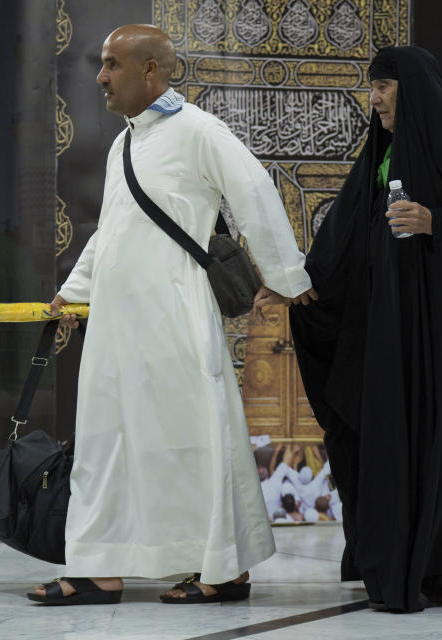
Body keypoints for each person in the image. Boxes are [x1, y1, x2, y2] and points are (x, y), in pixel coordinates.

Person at [29, 24, 315, 606]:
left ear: (150, 71)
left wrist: (287, 279)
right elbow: (112, 230)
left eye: (112, 65)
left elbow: (256, 193)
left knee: (193, 441)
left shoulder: (200, 132)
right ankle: (99, 565)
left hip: (176, 318)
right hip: (116, 324)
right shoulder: (124, 143)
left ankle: (224, 569)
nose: (101, 77)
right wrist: (75, 289)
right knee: (106, 442)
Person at [259, 45, 442, 612]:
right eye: (372, 88)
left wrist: (434, 222)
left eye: (384, 88)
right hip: (395, 348)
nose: (374, 99)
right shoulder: (382, 156)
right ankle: (406, 564)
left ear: (412, 91)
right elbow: (344, 242)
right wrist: (297, 284)